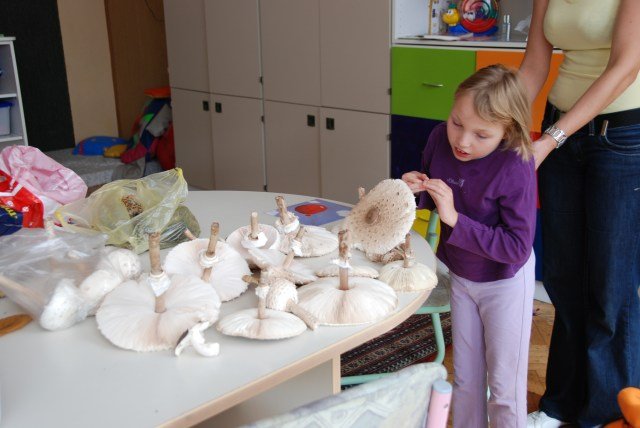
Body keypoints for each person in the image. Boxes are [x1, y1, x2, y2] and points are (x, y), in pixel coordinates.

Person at [519, 1, 640, 426]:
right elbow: (534, 65)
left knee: (610, 285)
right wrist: (494, 123)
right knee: (564, 278)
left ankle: (607, 415)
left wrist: (552, 138)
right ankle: (559, 405)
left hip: (623, 137)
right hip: (560, 134)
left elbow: (625, 66)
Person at [402, 64, 537, 427]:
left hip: (504, 282)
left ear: (508, 131)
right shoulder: (439, 139)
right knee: (466, 379)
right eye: (456, 123)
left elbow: (516, 247)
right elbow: (434, 195)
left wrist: (454, 218)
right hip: (461, 275)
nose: (462, 141)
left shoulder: (516, 165)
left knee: (504, 388)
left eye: (481, 134)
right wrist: (416, 188)